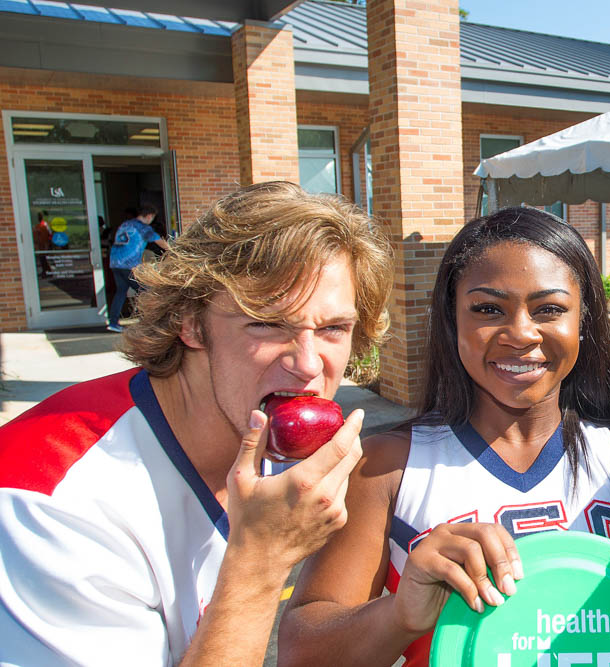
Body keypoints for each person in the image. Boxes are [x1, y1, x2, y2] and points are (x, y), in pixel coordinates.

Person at [277, 207, 610, 666]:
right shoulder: (385, 465)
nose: (522, 333)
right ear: (450, 318)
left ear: (583, 323)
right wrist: (398, 614)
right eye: (487, 309)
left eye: (549, 309)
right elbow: (301, 651)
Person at [0, 181, 394, 665]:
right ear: (190, 322)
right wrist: (260, 562)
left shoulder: (260, 438)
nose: (309, 364)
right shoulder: (54, 508)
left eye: (333, 328)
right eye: (267, 322)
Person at [107, 204, 170, 332]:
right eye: (152, 217)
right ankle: (149, 322)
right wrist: (176, 251)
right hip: (128, 264)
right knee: (147, 291)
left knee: (120, 292)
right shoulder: (143, 228)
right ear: (149, 216)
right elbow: (161, 243)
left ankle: (113, 323)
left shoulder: (126, 224)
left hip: (115, 262)